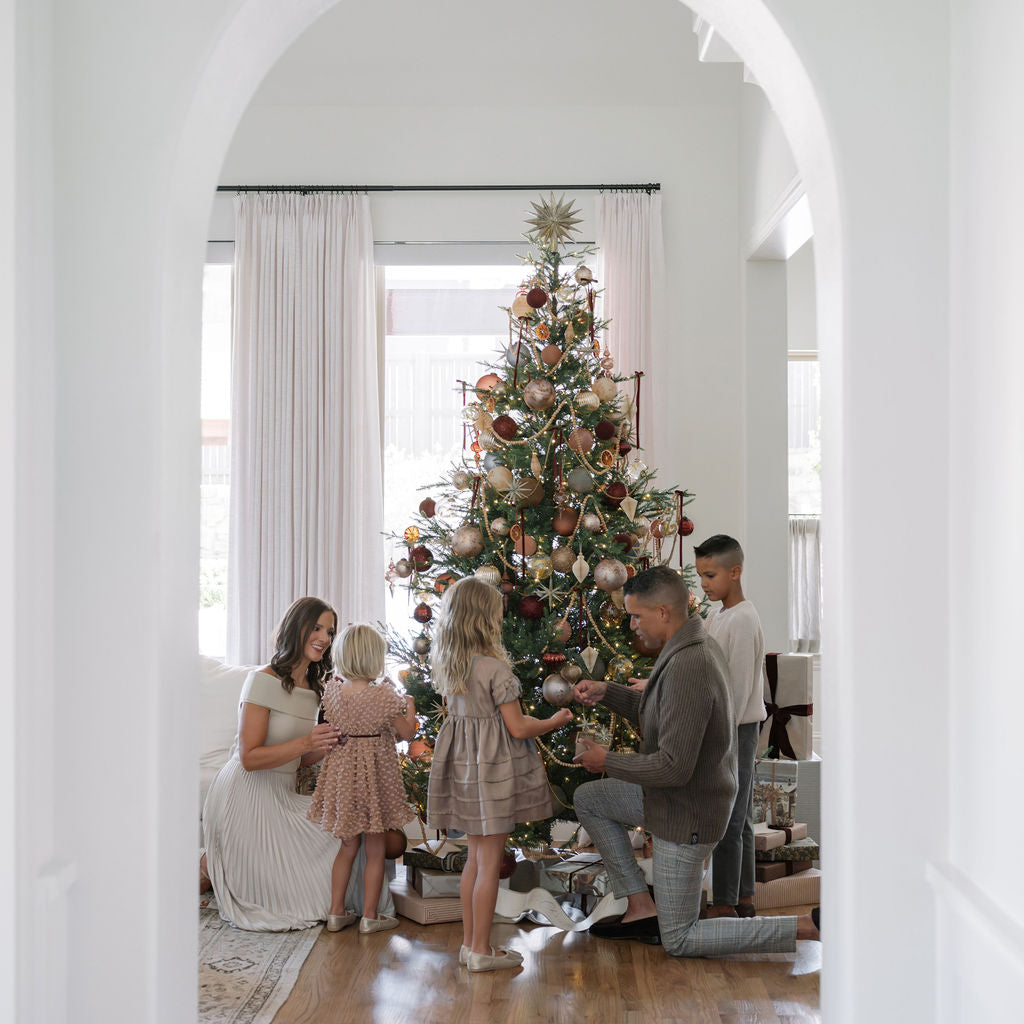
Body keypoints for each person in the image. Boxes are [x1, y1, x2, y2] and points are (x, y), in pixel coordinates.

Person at [572, 565, 818, 956]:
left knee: (680, 939)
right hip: (674, 800)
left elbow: (672, 767)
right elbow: (665, 711)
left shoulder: (689, 664)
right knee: (590, 799)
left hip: (686, 815)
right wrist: (610, 693)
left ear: (663, 613)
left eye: (637, 615)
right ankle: (640, 906)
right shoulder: (688, 646)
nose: (632, 624)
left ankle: (805, 926)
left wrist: (607, 761)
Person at [201, 597, 397, 930]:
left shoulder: (315, 689)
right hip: (245, 795)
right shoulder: (261, 680)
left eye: (330, 631)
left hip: (281, 795)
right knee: (345, 841)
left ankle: (356, 913)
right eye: (317, 628)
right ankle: (207, 870)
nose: (324, 637)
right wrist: (308, 741)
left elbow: (301, 760)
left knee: (350, 836)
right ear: (297, 628)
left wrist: (333, 743)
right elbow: (249, 758)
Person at [426, 576, 574, 973]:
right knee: (489, 863)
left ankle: (469, 944)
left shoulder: (451, 666)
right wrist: (555, 719)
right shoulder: (495, 669)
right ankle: (481, 951)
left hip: (464, 772)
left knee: (475, 860)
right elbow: (519, 728)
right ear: (484, 619)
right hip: (491, 774)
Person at [307, 623, 418, 934]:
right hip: (375, 780)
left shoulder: (333, 691)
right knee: (375, 849)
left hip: (343, 779)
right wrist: (411, 711)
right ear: (374, 658)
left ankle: (335, 912)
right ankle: (370, 916)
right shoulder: (383, 695)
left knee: (347, 848)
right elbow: (406, 732)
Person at [693, 534, 767, 919]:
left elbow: (736, 688)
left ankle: (725, 903)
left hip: (735, 728)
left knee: (729, 817)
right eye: (701, 575)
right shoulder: (719, 613)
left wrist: (720, 740)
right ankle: (744, 896)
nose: (704, 583)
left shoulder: (740, 619)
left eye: (710, 574)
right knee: (741, 816)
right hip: (730, 725)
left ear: (734, 572)